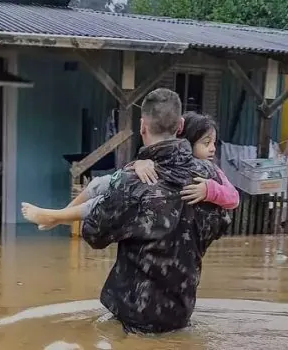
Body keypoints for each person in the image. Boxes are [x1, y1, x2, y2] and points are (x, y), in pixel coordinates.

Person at [81, 88, 231, 334]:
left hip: (134, 317)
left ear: (142, 127)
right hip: (182, 311)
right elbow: (221, 225)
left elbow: (93, 235)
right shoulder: (210, 176)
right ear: (180, 124)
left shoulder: (132, 182)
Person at [21, 111, 239, 229]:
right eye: (206, 143)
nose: (212, 149)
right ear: (185, 139)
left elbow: (233, 198)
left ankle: (55, 217)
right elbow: (131, 174)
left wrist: (209, 190)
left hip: (167, 217)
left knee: (103, 202)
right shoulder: (162, 159)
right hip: (156, 210)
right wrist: (139, 163)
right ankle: (57, 216)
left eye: (213, 143)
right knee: (100, 184)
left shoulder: (211, 172)